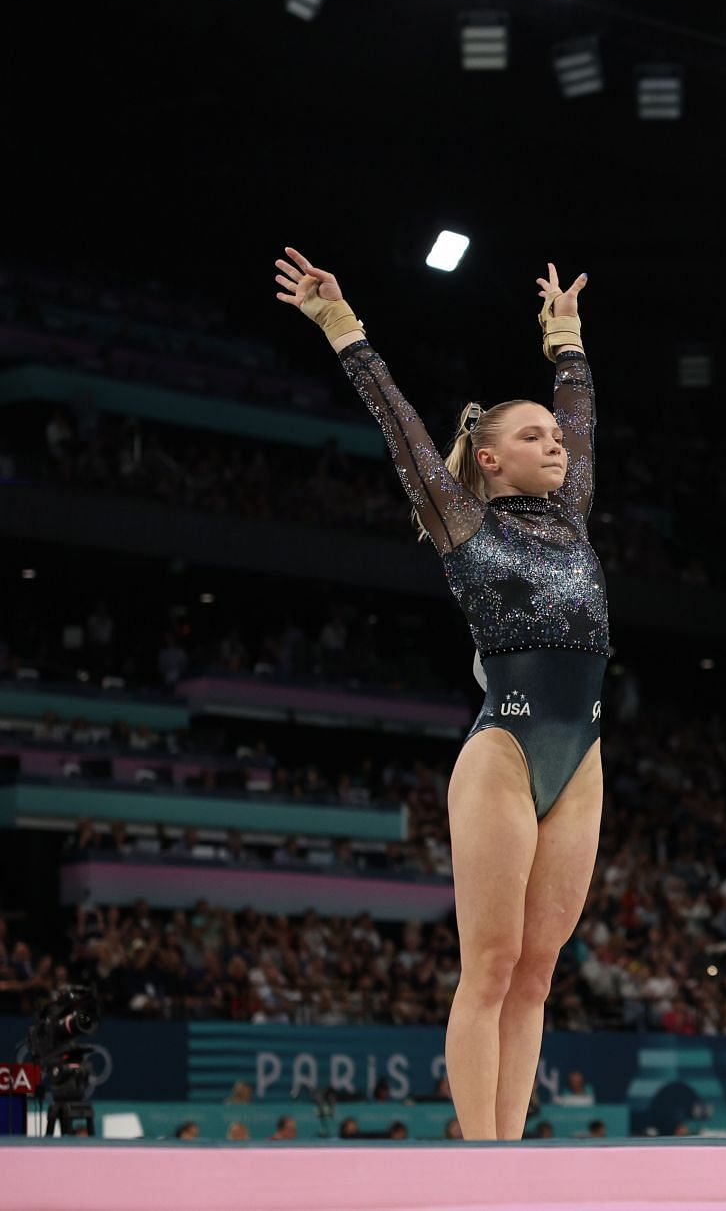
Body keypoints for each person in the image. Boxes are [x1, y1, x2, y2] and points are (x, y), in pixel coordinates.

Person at [274, 247, 608, 1142]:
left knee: (539, 975)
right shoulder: (461, 521)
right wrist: (343, 328)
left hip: (581, 757)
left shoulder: (571, 514)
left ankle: (509, 1156)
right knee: (492, 967)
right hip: (503, 750)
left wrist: (566, 341)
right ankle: (477, 1164)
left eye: (557, 436)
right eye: (535, 436)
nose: (558, 443)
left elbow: (583, 412)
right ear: (490, 461)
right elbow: (401, 427)